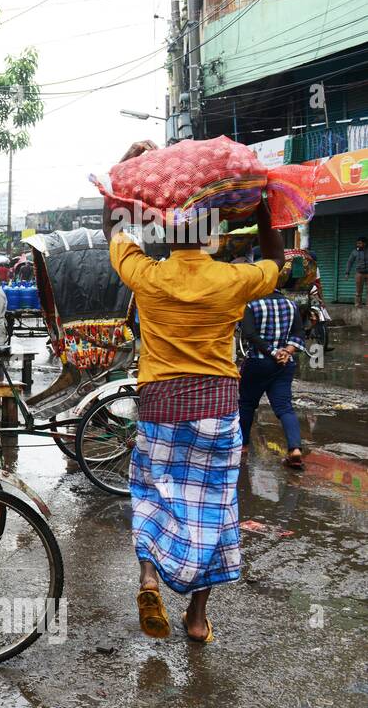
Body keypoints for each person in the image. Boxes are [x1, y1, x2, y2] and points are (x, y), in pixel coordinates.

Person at [104, 139, 285, 646]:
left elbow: (115, 232)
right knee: (213, 509)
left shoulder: (148, 275)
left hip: (160, 404)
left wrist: (122, 173)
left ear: (166, 232)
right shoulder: (233, 279)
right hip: (217, 407)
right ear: (214, 235)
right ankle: (197, 617)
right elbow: (278, 259)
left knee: (150, 493)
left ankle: (148, 577)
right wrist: (263, 200)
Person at [238, 285, 305, 468]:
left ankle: (243, 446)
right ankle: (294, 449)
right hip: (284, 365)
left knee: (247, 405)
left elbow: (249, 334)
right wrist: (286, 352)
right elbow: (299, 333)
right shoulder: (292, 305)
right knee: (285, 408)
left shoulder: (252, 305)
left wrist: (273, 352)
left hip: (258, 364)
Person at [347, 236, 368, 307]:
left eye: (360, 243)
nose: (358, 245)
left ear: (364, 243)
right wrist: (347, 273)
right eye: (357, 243)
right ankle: (358, 304)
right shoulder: (354, 251)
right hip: (359, 273)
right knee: (358, 291)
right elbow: (350, 262)